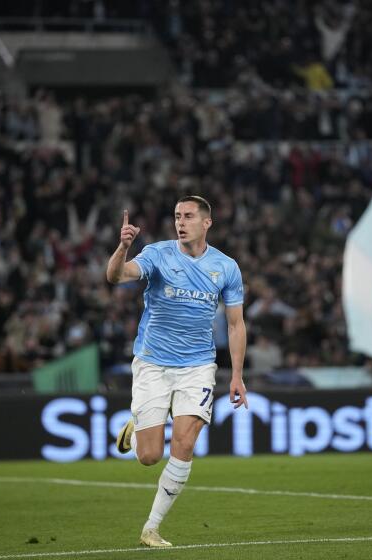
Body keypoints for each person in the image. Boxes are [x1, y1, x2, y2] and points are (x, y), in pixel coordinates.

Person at [106, 195, 249, 548]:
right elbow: (116, 276)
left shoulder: (226, 267)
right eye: (176, 216)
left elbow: (236, 325)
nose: (180, 222)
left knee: (184, 444)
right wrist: (123, 247)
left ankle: (151, 528)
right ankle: (136, 429)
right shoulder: (157, 254)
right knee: (149, 457)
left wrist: (236, 375)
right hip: (153, 362)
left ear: (206, 223)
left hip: (198, 367)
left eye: (187, 216)